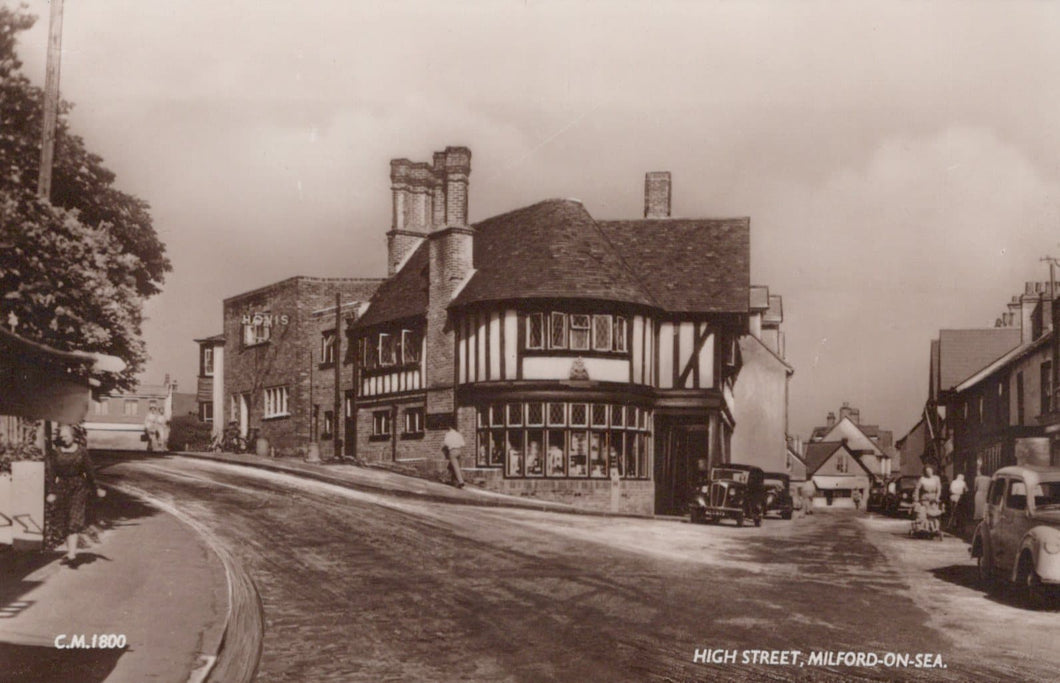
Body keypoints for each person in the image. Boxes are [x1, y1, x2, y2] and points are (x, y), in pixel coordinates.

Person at [46, 424, 105, 566]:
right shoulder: (56, 453)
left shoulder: (82, 452)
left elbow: (90, 472)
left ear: (73, 437)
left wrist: (97, 488)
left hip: (78, 488)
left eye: (66, 436)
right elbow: (52, 474)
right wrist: (51, 492)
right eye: (62, 437)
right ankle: (70, 551)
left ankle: (72, 554)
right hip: (62, 488)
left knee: (74, 519)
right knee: (64, 521)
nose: (64, 439)